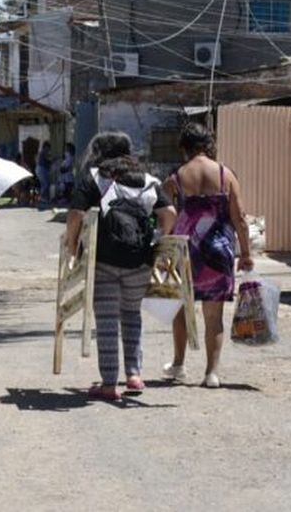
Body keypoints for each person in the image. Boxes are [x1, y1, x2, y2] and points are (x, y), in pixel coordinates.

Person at [65, 132, 176, 401]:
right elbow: (169, 213)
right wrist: (158, 237)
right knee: (131, 314)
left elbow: (76, 214)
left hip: (104, 260)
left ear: (100, 153)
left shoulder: (94, 178)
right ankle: (134, 375)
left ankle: (108, 384)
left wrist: (72, 245)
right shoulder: (147, 180)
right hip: (140, 261)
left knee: (106, 321)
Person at [162, 122, 253, 389]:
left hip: (184, 250)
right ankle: (211, 373)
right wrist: (245, 253)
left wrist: (162, 248)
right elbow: (240, 218)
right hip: (218, 250)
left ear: (185, 147)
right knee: (214, 316)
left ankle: (179, 365)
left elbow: (166, 217)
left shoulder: (175, 178)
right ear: (209, 145)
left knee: (179, 310)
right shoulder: (226, 175)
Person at [36, 141, 52, 206]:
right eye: (48, 148)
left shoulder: (42, 153)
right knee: (45, 184)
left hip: (41, 169)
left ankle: (44, 198)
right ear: (45, 147)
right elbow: (46, 162)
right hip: (41, 169)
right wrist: (51, 161)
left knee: (44, 184)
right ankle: (43, 198)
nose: (49, 150)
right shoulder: (43, 152)